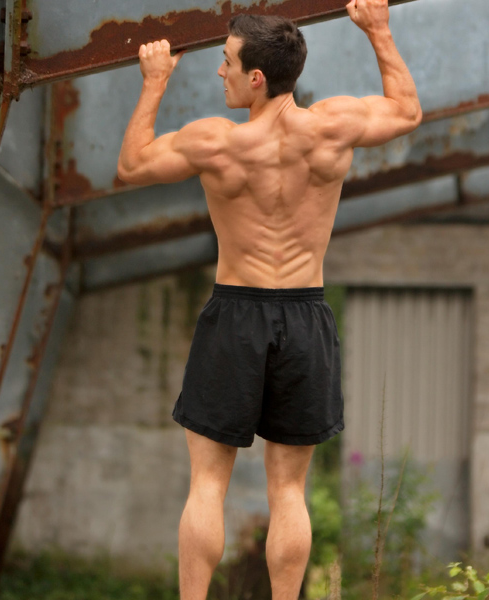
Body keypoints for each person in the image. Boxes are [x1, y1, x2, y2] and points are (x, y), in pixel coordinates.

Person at [117, 0, 421, 597]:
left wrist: (154, 82)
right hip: (305, 314)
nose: (221, 73)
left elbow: (131, 165)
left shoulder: (216, 143)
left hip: (236, 311)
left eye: (227, 62)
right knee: (289, 490)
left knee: (208, 484)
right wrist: (379, 32)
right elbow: (407, 111)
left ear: (256, 77)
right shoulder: (333, 126)